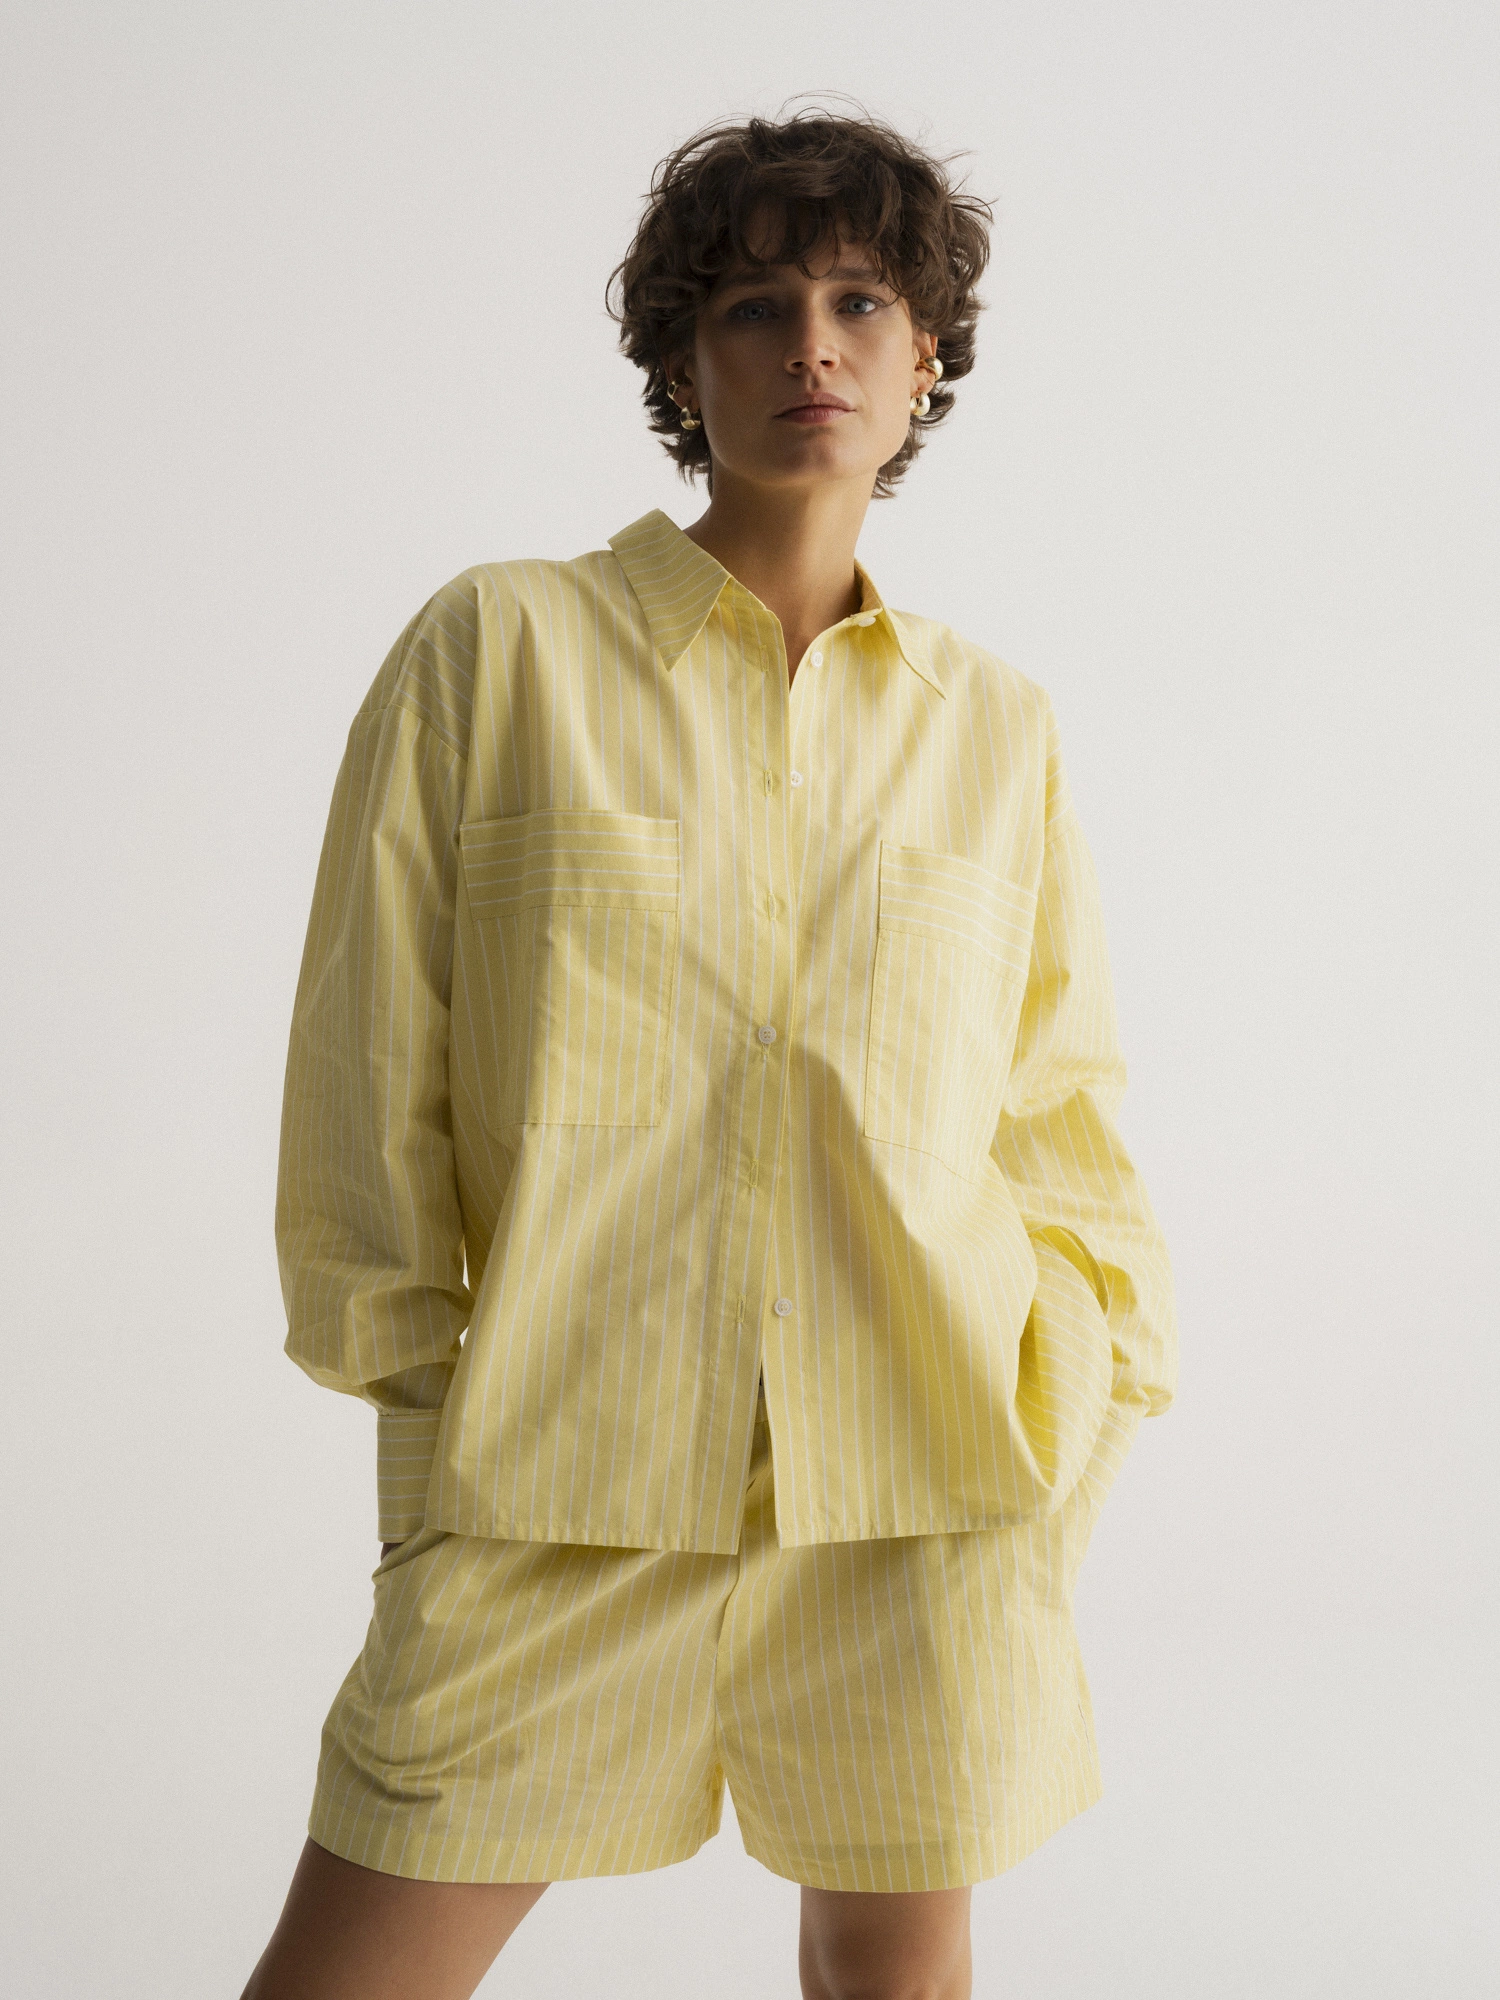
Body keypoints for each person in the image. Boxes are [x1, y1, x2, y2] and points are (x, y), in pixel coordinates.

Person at [241, 105, 1178, 2000]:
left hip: (921, 1492)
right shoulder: (500, 653)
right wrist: (427, 1460)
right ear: (686, 363)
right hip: (559, 1487)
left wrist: (1071, 1414)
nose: (810, 346)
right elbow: (366, 1080)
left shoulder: (996, 728)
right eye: (755, 307)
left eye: (858, 303)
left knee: (892, 1988)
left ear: (925, 361)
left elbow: (1056, 1118)